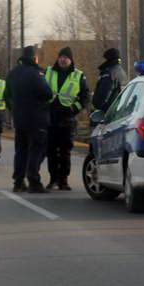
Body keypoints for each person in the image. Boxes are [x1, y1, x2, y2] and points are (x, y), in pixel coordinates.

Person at [5, 46, 53, 193]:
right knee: (37, 149)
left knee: (21, 150)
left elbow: (6, 95)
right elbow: (47, 93)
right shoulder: (36, 73)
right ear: (34, 58)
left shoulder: (13, 73)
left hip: (19, 118)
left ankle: (18, 181)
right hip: (36, 118)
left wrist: (14, 109)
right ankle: (33, 180)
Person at [45, 47, 90, 191]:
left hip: (67, 119)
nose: (63, 60)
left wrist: (74, 108)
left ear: (71, 60)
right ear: (58, 58)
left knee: (65, 151)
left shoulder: (78, 75)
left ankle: (63, 180)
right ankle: (53, 179)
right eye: (61, 57)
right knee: (51, 151)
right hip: (51, 117)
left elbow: (85, 97)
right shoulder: (48, 72)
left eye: (66, 57)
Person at [92, 48, 127, 114]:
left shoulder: (109, 73)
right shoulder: (121, 72)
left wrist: (97, 106)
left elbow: (103, 94)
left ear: (109, 59)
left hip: (109, 113)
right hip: (120, 110)